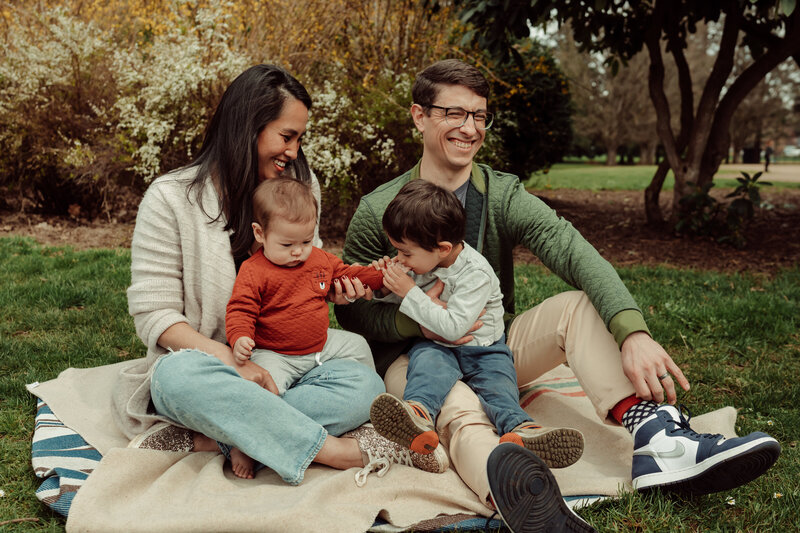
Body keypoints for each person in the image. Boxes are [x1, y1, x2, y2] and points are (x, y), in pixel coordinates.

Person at [336, 59, 781, 531]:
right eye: (454, 114)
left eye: (479, 116)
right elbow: (357, 316)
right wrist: (416, 320)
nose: (470, 128)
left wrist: (633, 332)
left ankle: (659, 442)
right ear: (419, 116)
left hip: (488, 343)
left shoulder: (502, 195)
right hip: (416, 358)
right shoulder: (380, 209)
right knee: (462, 406)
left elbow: (574, 252)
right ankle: (523, 498)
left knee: (577, 306)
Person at [116, 64, 448, 488]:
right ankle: (338, 451)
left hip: (288, 360)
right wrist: (231, 362)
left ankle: (213, 436)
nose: (293, 151)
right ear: (246, 128)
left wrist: (335, 294)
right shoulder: (170, 199)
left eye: (299, 138)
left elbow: (307, 273)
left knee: (365, 385)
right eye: (286, 136)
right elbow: (154, 315)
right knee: (173, 380)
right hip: (208, 363)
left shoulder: (300, 187)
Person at [369, 180, 583, 471]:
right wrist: (384, 288)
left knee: (498, 386)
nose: (399, 259)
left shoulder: (476, 272)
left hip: (484, 349)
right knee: (426, 369)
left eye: (405, 253)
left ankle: (521, 430)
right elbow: (410, 302)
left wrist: (408, 291)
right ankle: (417, 416)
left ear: (443, 248)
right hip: (436, 345)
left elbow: (454, 326)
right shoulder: (424, 262)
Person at [224, 177, 386, 478]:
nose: (298, 251)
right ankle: (243, 443)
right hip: (275, 352)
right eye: (287, 244)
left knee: (359, 346)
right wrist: (240, 337)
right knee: (261, 391)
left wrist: (380, 277)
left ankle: (363, 416)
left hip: (320, 346)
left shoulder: (319, 260)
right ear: (260, 233)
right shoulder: (254, 271)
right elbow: (240, 308)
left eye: (306, 241)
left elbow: (350, 273)